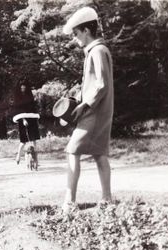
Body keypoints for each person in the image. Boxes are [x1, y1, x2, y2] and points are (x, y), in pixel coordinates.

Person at [61, 7, 114, 213]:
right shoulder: (96, 50)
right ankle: (107, 200)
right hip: (97, 110)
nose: (75, 39)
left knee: (72, 150)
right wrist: (77, 100)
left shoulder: (98, 51)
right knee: (99, 154)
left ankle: (69, 202)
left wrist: (84, 105)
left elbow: (101, 85)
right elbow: (95, 85)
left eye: (76, 34)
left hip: (95, 112)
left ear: (85, 30)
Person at [12, 80, 40, 164]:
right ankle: (18, 156)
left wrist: (36, 118)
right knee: (23, 141)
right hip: (22, 120)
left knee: (34, 139)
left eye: (24, 87)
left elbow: (33, 108)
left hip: (32, 119)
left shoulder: (30, 96)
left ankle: (36, 159)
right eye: (21, 87)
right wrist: (23, 120)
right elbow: (18, 110)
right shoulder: (17, 98)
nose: (23, 88)